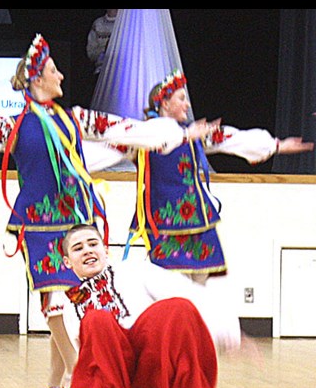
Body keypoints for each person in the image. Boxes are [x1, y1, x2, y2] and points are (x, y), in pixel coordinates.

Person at [0, 35, 203, 388]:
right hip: (37, 223)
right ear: (38, 79)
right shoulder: (15, 124)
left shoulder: (74, 119)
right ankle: (78, 368)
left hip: (75, 218)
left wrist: (164, 133)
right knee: (54, 295)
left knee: (79, 297)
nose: (62, 76)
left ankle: (58, 379)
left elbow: (117, 129)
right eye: (54, 70)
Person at [84, 69, 314, 281]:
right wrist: (72, 160)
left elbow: (231, 138)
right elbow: (107, 149)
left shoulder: (194, 134)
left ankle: (196, 324)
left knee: (201, 282)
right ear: (164, 102)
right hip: (164, 222)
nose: (187, 104)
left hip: (196, 219)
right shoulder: (144, 138)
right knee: (171, 285)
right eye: (181, 98)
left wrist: (277, 145)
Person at [59, 222, 245, 388]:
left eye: (93, 244)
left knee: (176, 308)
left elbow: (188, 292)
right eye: (78, 248)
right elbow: (88, 361)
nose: (87, 250)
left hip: (154, 367)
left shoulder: (135, 271)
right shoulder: (70, 308)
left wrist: (229, 332)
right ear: (67, 262)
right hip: (117, 381)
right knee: (96, 321)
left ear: (106, 250)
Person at [86, 9, 118, 75]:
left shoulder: (125, 24)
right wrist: (104, 51)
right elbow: (90, 52)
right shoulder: (98, 24)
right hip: (101, 71)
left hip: (119, 71)